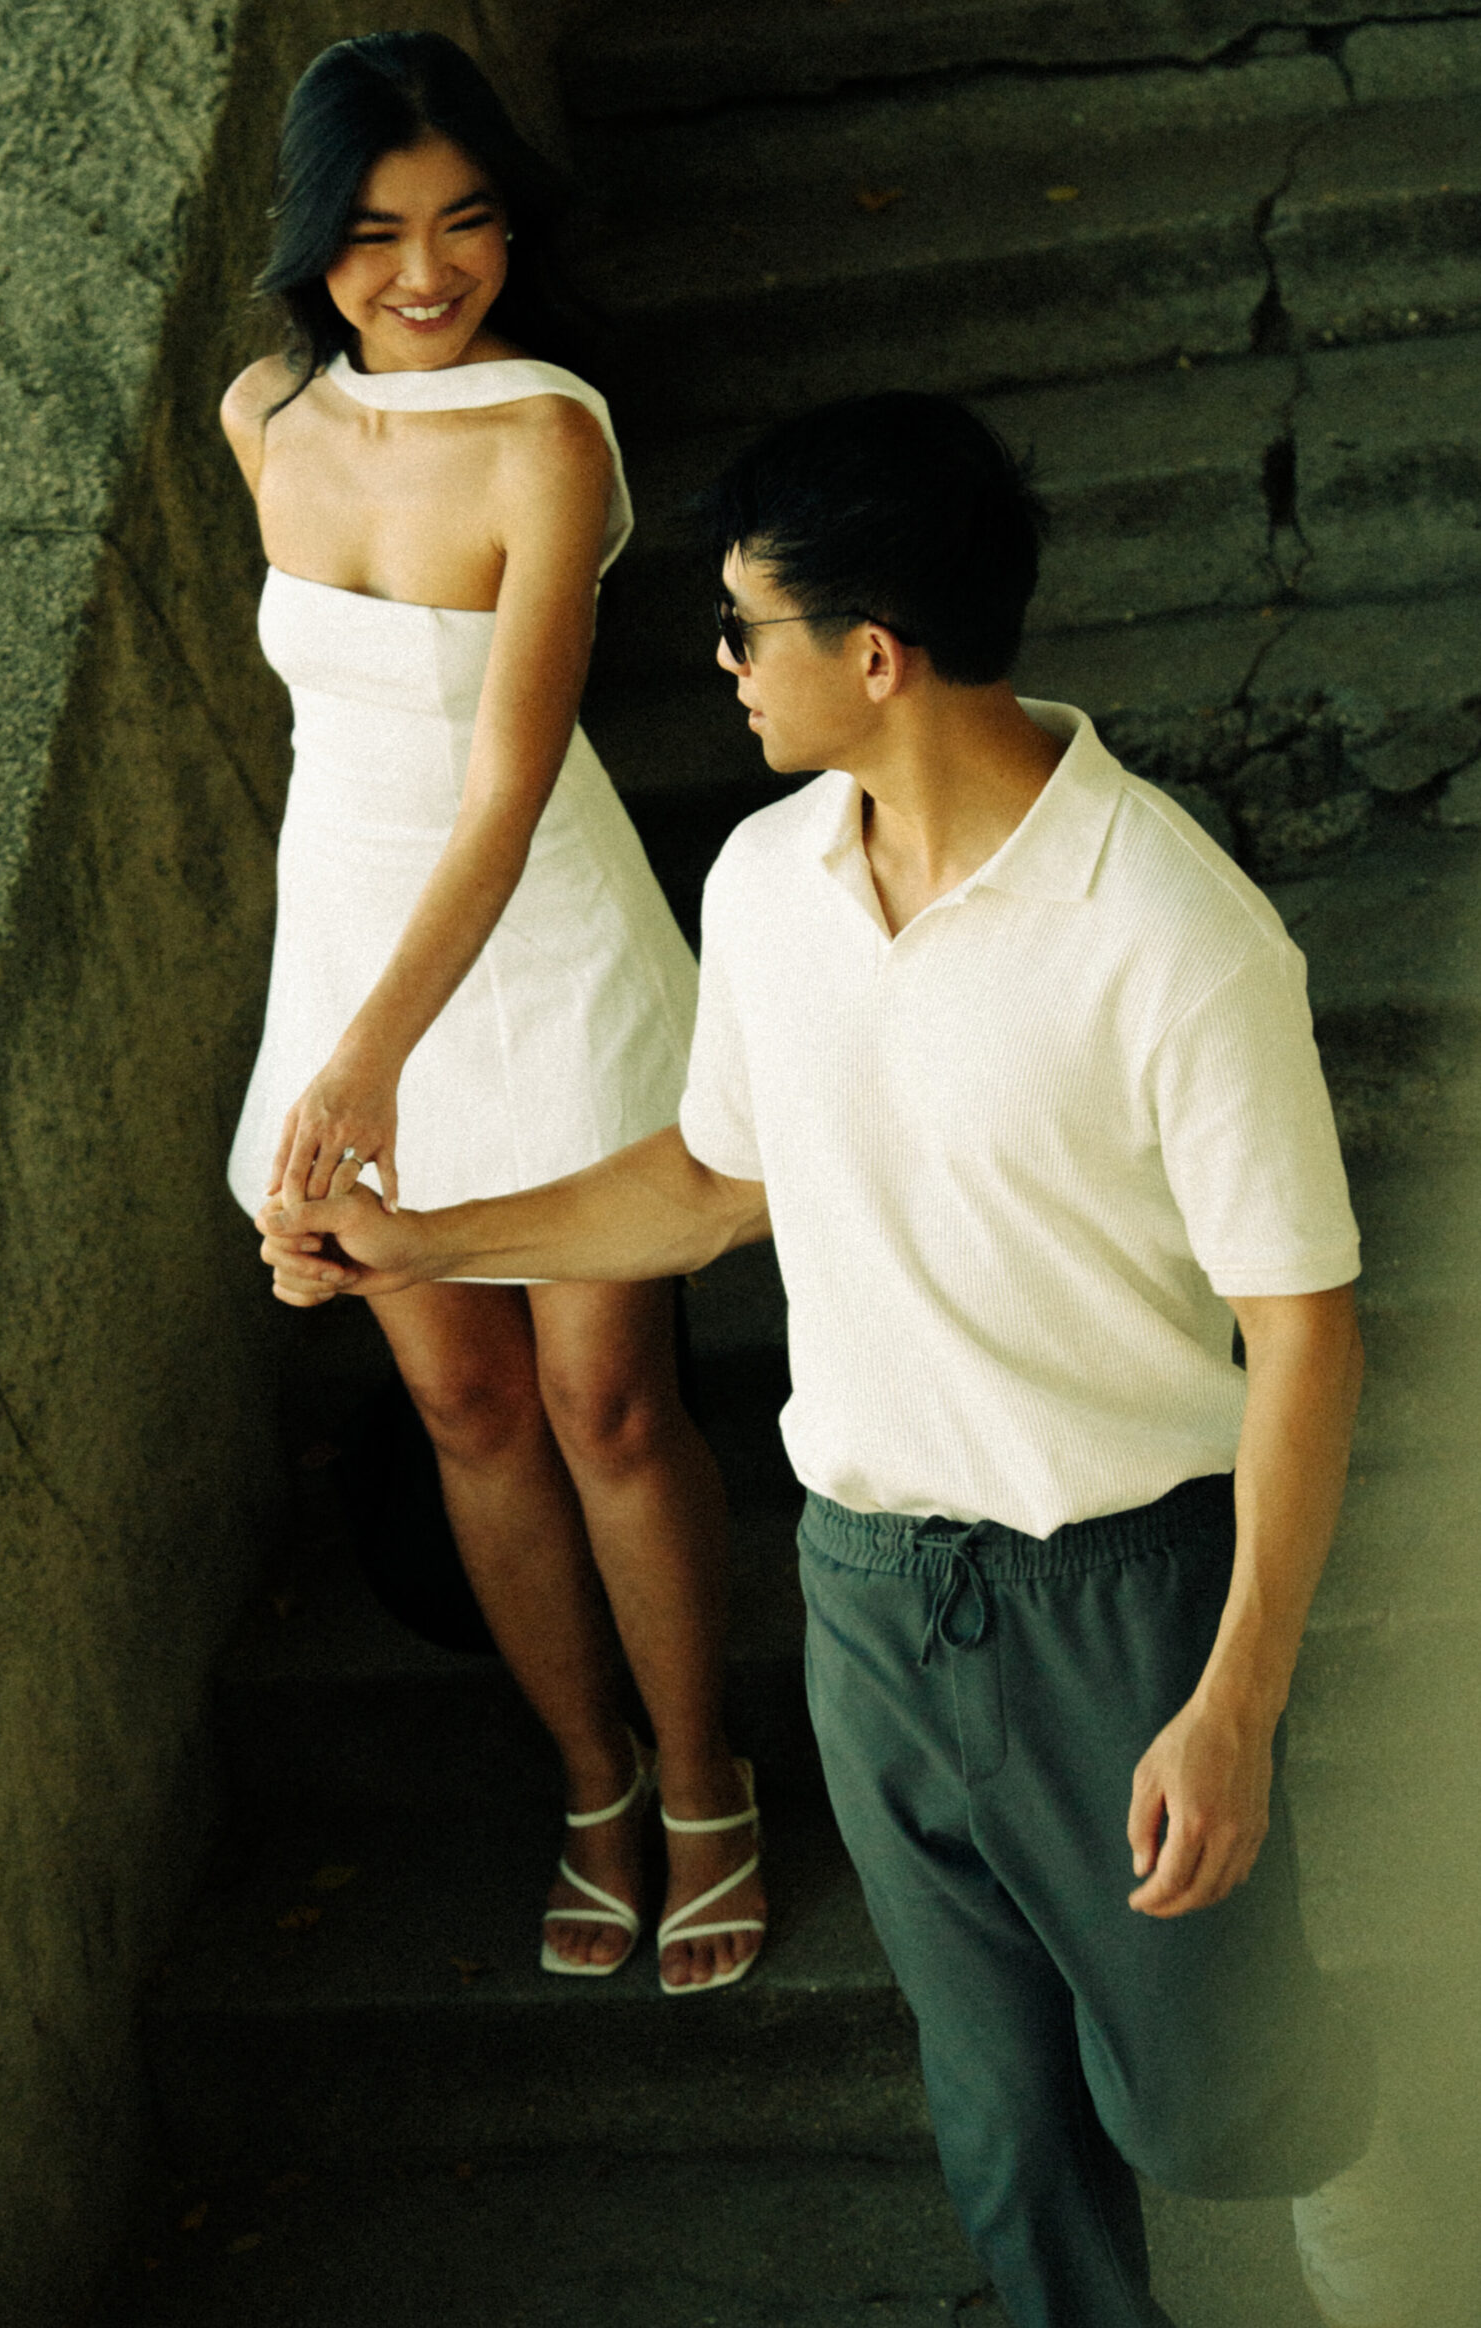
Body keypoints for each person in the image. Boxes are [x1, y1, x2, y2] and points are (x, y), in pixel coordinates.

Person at [257, 391, 1414, 2327]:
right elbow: (715, 1181)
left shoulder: (1171, 933)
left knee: (1211, 2107)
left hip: (1116, 1594)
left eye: (740, 628)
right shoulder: (763, 881)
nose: (714, 665)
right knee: (997, 2126)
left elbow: (1302, 1335)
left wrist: (1229, 1700)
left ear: (869, 653)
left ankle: (1360, 2131)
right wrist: (418, 1242)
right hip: (870, 1590)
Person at [222, 31, 765, 1995]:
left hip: (530, 950)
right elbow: (344, 740)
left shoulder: (552, 437)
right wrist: (338, 1032)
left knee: (602, 1398)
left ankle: (705, 1780)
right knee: (457, 1402)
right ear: (312, 242)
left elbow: (505, 788)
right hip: (343, 944)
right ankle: (590, 1775)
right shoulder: (261, 409)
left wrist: (365, 1054)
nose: (427, 271)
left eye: (463, 221)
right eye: (374, 234)